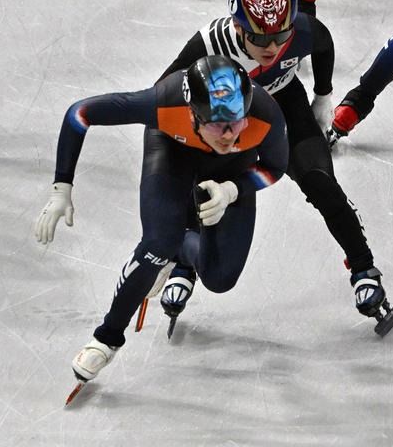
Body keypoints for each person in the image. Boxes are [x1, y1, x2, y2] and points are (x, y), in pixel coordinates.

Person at [157, 0, 393, 334]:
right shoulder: (209, 44)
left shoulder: (301, 30)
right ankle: (184, 261)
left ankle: (364, 268)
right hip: (232, 121)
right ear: (237, 26)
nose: (271, 48)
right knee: (205, 186)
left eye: (280, 36)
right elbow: (162, 92)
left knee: (320, 182)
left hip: (285, 106)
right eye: (259, 37)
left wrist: (323, 96)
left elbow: (323, 43)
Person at [33, 55, 288, 395]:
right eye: (217, 124)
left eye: (237, 122)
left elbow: (275, 167)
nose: (228, 134)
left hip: (232, 169)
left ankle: (182, 252)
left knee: (220, 278)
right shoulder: (163, 103)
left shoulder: (265, 115)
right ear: (193, 113)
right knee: (158, 244)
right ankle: (106, 338)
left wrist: (232, 190)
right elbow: (80, 113)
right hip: (172, 149)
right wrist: (61, 188)